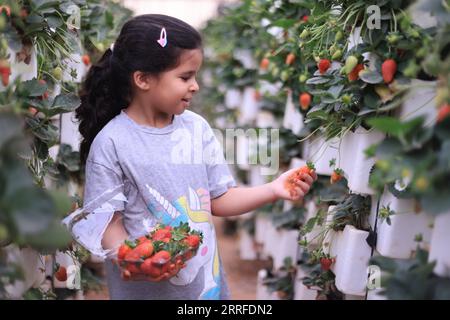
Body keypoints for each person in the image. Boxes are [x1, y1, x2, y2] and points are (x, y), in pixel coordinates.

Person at [69, 14, 316, 300]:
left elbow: (219, 198)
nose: (195, 85)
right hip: (145, 291)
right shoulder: (112, 142)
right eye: (185, 77)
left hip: (203, 290)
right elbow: (108, 223)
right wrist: (134, 257)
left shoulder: (196, 128)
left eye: (195, 75)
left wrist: (273, 189)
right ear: (143, 79)